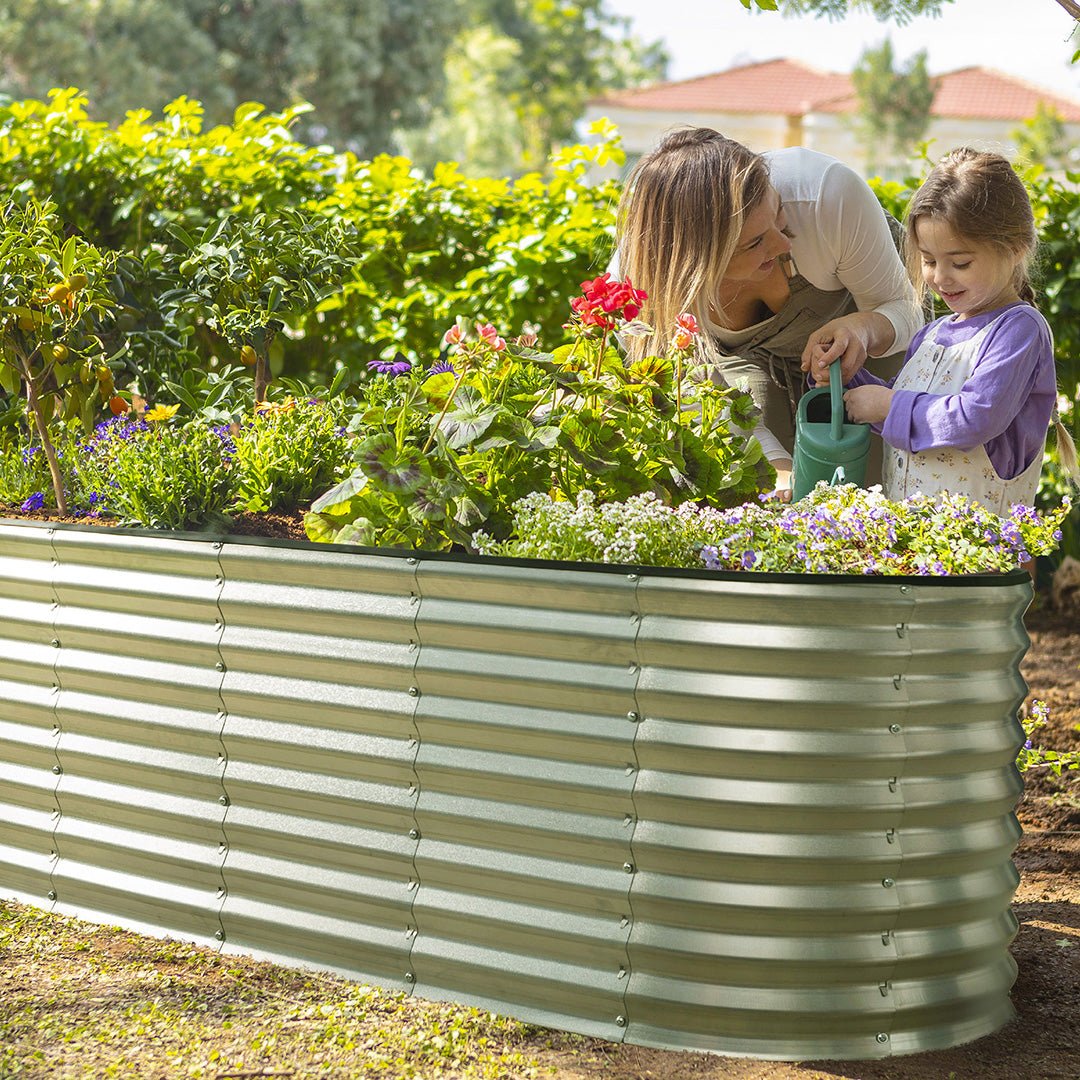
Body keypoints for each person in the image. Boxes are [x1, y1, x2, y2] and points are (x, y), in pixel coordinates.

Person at [614, 126, 924, 490]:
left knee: (876, 481)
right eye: (755, 242)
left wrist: (861, 329)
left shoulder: (826, 195)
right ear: (699, 262)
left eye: (777, 213)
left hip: (873, 342)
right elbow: (713, 403)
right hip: (742, 366)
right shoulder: (643, 289)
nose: (781, 244)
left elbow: (908, 310)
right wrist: (781, 474)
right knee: (753, 485)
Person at [832, 147, 1079, 512]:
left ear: (1015, 248)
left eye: (960, 263)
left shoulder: (1018, 330)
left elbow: (974, 417)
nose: (939, 277)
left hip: (977, 554)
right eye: (929, 260)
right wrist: (843, 378)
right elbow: (914, 425)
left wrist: (887, 405)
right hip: (915, 546)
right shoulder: (931, 335)